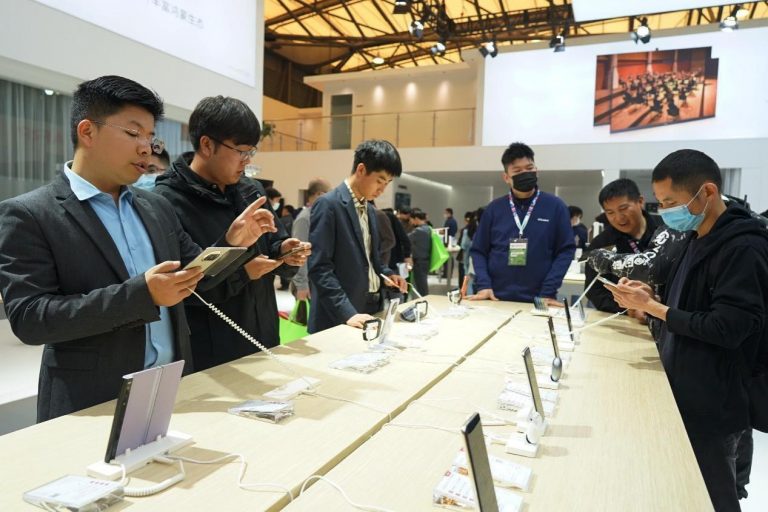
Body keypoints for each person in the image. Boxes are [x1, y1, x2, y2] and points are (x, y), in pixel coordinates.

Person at [0, 76, 276, 421]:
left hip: (174, 392)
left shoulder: (155, 207)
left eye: (150, 137)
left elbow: (197, 276)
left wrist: (231, 242)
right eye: (133, 134)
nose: (147, 148)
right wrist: (142, 295)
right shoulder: (31, 214)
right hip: (93, 403)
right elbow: (30, 318)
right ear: (87, 132)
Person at [608, 149, 768, 512]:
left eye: (671, 202)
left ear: (707, 192)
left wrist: (655, 308)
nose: (665, 211)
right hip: (686, 388)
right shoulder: (694, 238)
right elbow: (687, 308)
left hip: (716, 401)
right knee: (683, 488)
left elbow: (728, 327)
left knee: (713, 496)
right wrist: (650, 298)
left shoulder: (744, 247)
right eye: (661, 203)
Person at [154, 96, 308, 369]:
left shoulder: (250, 190)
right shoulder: (167, 200)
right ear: (206, 145)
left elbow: (273, 242)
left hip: (264, 332)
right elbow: (185, 286)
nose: (246, 161)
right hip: (212, 347)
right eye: (241, 151)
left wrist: (285, 251)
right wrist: (243, 272)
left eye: (251, 152)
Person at [308, 140, 408, 333]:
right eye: (379, 181)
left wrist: (388, 275)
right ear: (361, 170)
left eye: (387, 183)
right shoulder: (328, 204)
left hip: (371, 307)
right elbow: (319, 268)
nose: (382, 190)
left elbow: (371, 259)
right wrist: (347, 313)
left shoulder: (369, 210)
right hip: (339, 314)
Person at [469, 142, 575, 303]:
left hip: (541, 298)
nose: (525, 173)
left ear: (536, 171)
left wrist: (548, 291)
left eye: (529, 168)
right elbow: (478, 251)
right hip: (495, 296)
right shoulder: (494, 209)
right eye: (517, 171)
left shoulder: (555, 206)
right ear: (506, 177)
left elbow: (565, 250)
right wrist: (484, 285)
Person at [585, 179, 660, 315]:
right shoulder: (601, 244)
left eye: (623, 209)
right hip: (626, 321)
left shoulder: (666, 232)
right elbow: (594, 290)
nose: (619, 218)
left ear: (640, 201)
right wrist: (629, 309)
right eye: (610, 212)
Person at [291, 178, 332, 303]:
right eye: (329, 193)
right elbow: (298, 252)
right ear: (319, 194)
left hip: (319, 280)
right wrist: (302, 285)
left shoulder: (319, 215)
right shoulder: (305, 218)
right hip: (307, 282)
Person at [408, 208, 432, 297]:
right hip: (425, 260)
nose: (410, 222)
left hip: (419, 261)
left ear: (416, 219)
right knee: (422, 284)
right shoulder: (428, 228)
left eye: (411, 219)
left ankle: (424, 301)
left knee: (421, 286)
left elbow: (406, 239)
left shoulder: (418, 231)